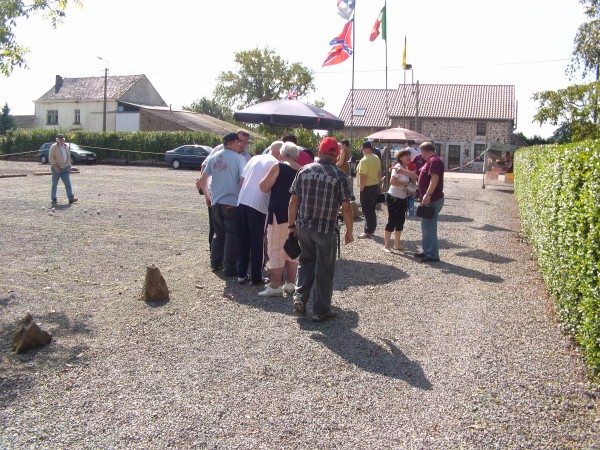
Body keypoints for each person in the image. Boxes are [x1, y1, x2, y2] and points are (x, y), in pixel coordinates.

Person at [288, 136, 354, 322]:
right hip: (325, 229)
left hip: (304, 227)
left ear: (319, 152)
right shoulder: (340, 176)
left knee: (306, 263)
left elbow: (293, 201)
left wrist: (291, 226)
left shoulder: (303, 171)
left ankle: (300, 298)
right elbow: (346, 207)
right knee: (324, 269)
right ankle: (321, 310)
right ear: (336, 155)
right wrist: (349, 231)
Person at [197, 132, 247, 276]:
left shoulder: (213, 157)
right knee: (232, 235)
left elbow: (202, 180)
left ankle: (215, 262)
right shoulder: (239, 159)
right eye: (239, 142)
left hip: (216, 202)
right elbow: (242, 181)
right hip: (231, 202)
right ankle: (229, 267)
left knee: (218, 234)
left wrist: (208, 196)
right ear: (232, 142)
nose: (241, 145)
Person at [258, 142, 301, 296]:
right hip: (296, 214)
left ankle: (275, 285)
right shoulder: (301, 170)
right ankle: (290, 284)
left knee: (275, 248)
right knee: (293, 248)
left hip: (278, 213)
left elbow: (263, 187)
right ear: (296, 156)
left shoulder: (279, 167)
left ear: (282, 154)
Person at [236, 141, 282, 287]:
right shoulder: (276, 164)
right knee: (257, 242)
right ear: (279, 153)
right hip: (259, 206)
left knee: (243, 240)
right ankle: (257, 277)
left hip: (242, 202)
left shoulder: (254, 158)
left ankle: (241, 275)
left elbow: (241, 181)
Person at [400, 141, 445, 263]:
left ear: (425, 151)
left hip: (433, 198)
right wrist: (401, 171)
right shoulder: (429, 162)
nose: (420, 154)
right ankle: (427, 251)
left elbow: (434, 178)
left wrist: (428, 194)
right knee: (426, 227)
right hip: (429, 198)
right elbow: (416, 174)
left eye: (421, 152)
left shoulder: (434, 161)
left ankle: (432, 255)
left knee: (429, 227)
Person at [383, 149, 412, 252]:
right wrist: (406, 185)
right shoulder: (398, 167)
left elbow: (404, 184)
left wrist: (408, 190)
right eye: (406, 155)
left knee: (401, 221)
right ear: (400, 157)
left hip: (403, 197)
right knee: (392, 220)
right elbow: (392, 181)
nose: (409, 157)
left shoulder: (406, 168)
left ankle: (397, 244)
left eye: (409, 155)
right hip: (393, 197)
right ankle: (386, 246)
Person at [356, 141, 381, 239]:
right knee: (371, 209)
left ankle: (368, 231)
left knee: (367, 210)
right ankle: (372, 229)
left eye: (362, 149)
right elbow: (379, 172)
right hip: (375, 186)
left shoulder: (364, 160)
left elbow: (363, 176)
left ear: (365, 149)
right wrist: (379, 183)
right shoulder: (376, 158)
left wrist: (361, 189)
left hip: (367, 188)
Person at [49, 134, 78, 204]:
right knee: (54, 184)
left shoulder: (66, 147)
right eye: (60, 139)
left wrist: (69, 166)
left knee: (68, 183)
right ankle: (53, 198)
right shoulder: (53, 147)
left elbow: (68, 158)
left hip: (65, 168)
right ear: (57, 140)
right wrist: (55, 167)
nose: (62, 140)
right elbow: (51, 158)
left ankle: (71, 198)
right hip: (56, 168)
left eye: (63, 139)